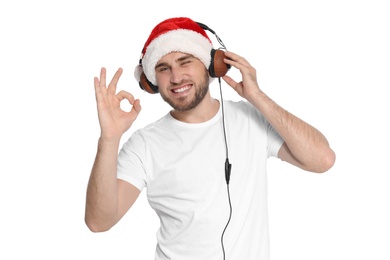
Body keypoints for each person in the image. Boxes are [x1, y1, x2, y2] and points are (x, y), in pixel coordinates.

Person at [85, 17, 336, 260]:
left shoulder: (250, 119)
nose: (176, 77)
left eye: (185, 62)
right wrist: (109, 138)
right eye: (164, 68)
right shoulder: (144, 144)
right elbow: (99, 222)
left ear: (212, 65)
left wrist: (257, 97)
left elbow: (322, 159)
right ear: (151, 81)